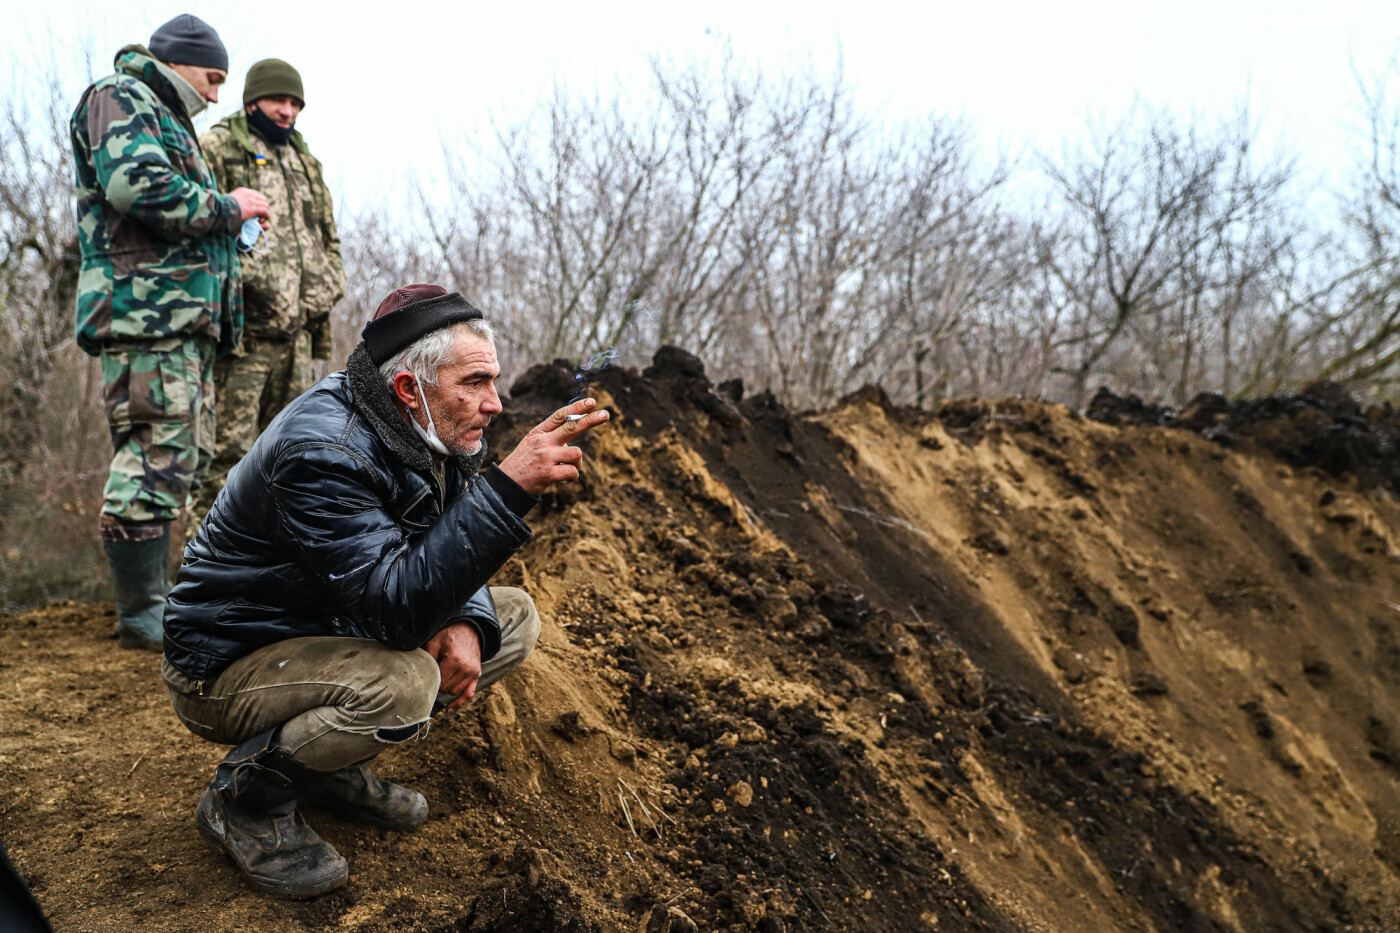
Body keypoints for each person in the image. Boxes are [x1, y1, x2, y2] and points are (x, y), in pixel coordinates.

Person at [161, 284, 609, 898]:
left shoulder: (426, 425)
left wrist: (468, 622)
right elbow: (394, 608)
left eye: (493, 381)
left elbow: (444, 541)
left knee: (512, 619)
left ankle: (329, 764)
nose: (494, 404)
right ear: (408, 387)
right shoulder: (322, 451)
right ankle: (245, 802)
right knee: (403, 684)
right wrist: (508, 489)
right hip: (226, 660)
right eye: (474, 383)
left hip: (324, 624)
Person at [70, 13, 269, 651]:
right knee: (155, 458)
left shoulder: (162, 114)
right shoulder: (120, 96)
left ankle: (156, 605)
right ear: (179, 60)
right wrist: (230, 207)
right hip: (146, 317)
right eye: (212, 79)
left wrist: (232, 236)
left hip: (179, 323)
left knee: (182, 458)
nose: (215, 95)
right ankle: (141, 615)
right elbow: (140, 188)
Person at [193, 58, 346, 519]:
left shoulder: (303, 159)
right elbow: (197, 224)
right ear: (253, 99)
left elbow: (326, 233)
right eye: (279, 100)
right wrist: (242, 283)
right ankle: (205, 579)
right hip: (243, 337)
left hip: (298, 336)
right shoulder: (218, 147)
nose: (287, 111)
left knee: (295, 457)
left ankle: (278, 576)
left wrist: (331, 281)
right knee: (227, 457)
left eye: (295, 103)